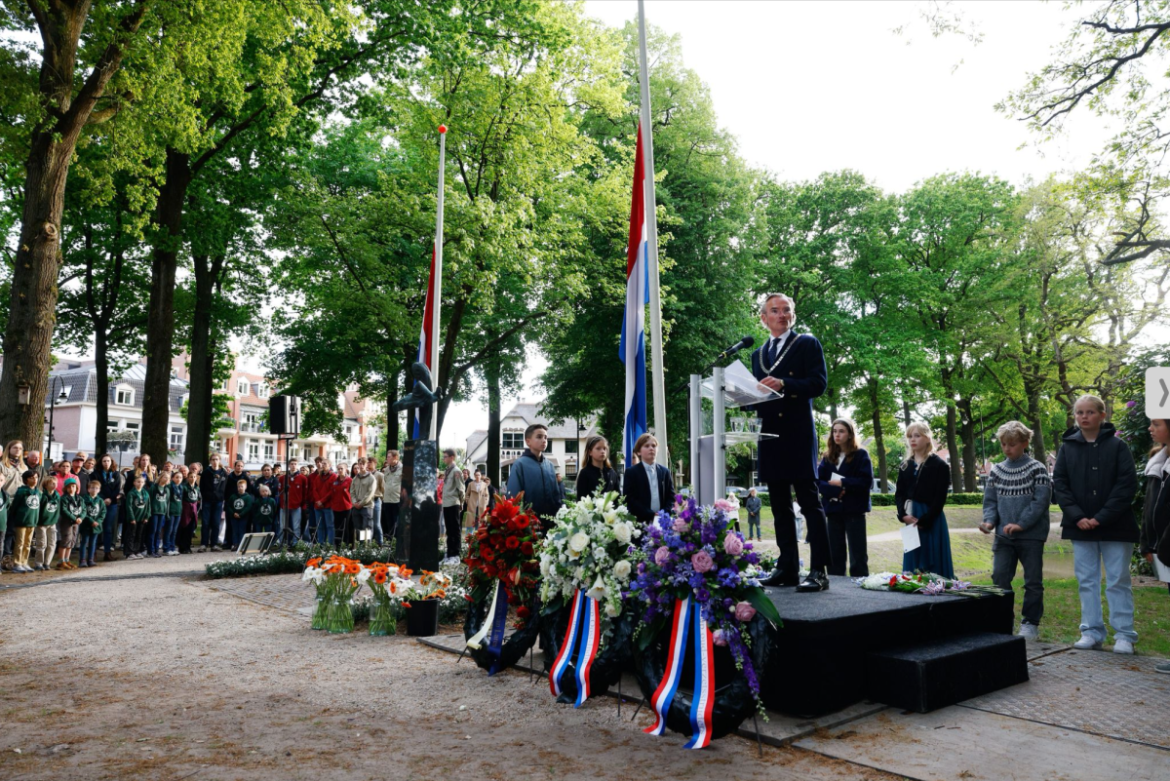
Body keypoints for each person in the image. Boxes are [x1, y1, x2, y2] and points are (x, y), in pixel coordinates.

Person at [749, 293, 832, 592]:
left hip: (797, 433)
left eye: (787, 310)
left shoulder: (807, 343)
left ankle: (819, 571)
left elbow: (819, 383)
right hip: (769, 435)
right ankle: (787, 568)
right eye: (775, 311)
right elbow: (758, 396)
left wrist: (786, 383)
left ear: (793, 315)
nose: (782, 315)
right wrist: (742, 398)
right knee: (780, 506)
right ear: (764, 317)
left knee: (810, 503)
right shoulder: (757, 355)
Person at [1053, 394, 1139, 654]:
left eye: (1090, 412)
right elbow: (1060, 485)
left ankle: (1124, 635)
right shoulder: (1067, 447)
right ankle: (1091, 631)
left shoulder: (1118, 446)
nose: (1084, 417)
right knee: (1087, 581)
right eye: (1080, 412)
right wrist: (1078, 516)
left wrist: (1101, 517)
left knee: (1118, 580)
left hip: (1116, 525)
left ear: (1102, 415)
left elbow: (1126, 486)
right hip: (1079, 527)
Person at [979, 420, 1052, 640]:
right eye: (1003, 444)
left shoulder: (1037, 469)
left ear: (1024, 442)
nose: (1007, 448)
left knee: (1032, 581)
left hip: (1031, 537)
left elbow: (1040, 502)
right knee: (999, 577)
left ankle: (1030, 623)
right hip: (1003, 537)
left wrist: (1021, 524)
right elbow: (990, 501)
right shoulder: (998, 470)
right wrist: (989, 522)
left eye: (1011, 444)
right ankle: (1003, 620)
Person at [895, 423, 954, 578]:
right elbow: (899, 493)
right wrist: (903, 516)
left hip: (930, 518)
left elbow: (940, 498)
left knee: (932, 559)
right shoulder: (905, 465)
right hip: (910, 518)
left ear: (927, 438)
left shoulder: (939, 465)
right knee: (913, 561)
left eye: (917, 435)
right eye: (909, 436)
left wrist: (924, 520)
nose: (912, 440)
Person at [816, 418, 874, 578]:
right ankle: (835, 585)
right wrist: (834, 491)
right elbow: (818, 482)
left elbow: (866, 481)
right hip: (833, 511)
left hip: (854, 511)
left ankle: (860, 585)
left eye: (841, 431)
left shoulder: (861, 455)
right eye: (835, 431)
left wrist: (842, 483)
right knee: (835, 553)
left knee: (858, 553)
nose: (837, 435)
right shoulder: (828, 457)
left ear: (850, 434)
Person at [505, 424, 562, 527]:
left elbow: (556, 495)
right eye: (539, 437)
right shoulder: (520, 464)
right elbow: (514, 498)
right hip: (529, 525)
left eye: (545, 437)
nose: (544, 440)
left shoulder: (549, 465)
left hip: (550, 524)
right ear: (528, 441)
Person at [1140, 418, 1170, 598]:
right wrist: (1147, 544)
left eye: (1157, 424)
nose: (1150, 428)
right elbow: (1149, 506)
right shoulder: (1157, 463)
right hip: (1162, 549)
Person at [623, 433, 675, 524]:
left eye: (654, 446)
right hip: (640, 521)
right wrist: (650, 514)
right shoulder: (631, 472)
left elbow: (671, 497)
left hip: (662, 520)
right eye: (646, 446)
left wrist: (663, 513)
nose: (651, 448)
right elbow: (630, 498)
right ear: (639, 452)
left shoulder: (665, 472)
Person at [11, 470, 42, 572]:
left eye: (36, 477)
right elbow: (14, 506)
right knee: (19, 543)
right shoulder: (21, 491)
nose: (35, 480)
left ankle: (24, 562)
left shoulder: (38, 492)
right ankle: (17, 563)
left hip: (32, 521)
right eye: (32, 478)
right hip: (22, 521)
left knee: (28, 543)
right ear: (26, 480)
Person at [199, 453, 228, 552]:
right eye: (213, 459)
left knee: (216, 523)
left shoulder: (224, 473)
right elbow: (202, 487)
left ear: (219, 460)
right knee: (206, 523)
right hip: (207, 500)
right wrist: (205, 496)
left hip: (219, 501)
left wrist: (222, 497)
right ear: (210, 461)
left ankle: (214, 544)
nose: (215, 461)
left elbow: (226, 487)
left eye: (217, 459)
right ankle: (203, 544)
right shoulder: (206, 472)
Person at [575, 436, 619, 500]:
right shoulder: (585, 473)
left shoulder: (612, 472)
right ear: (590, 452)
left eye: (604, 448)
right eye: (598, 448)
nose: (602, 451)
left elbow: (618, 496)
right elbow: (581, 498)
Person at [440, 449, 466, 563]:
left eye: (445, 456)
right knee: (449, 529)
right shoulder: (448, 470)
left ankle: (455, 554)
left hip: (454, 503)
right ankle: (450, 553)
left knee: (455, 529)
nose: (443, 458)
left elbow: (461, 489)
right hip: (446, 503)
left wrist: (461, 503)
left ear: (452, 457)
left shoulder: (456, 471)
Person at [34, 476, 61, 570]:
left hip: (52, 523)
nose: (54, 485)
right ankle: (39, 563)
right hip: (41, 524)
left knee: (52, 543)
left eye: (55, 483)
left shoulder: (57, 496)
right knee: (42, 544)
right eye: (52, 483)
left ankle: (47, 563)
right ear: (46, 485)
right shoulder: (42, 496)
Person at [56, 477, 82, 569]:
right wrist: (74, 518)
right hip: (67, 521)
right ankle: (61, 561)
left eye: (74, 486)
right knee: (66, 540)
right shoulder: (64, 498)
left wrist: (81, 517)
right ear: (66, 488)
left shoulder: (79, 498)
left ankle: (67, 559)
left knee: (72, 540)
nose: (72, 489)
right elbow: (64, 510)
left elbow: (84, 509)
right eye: (69, 487)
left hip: (76, 522)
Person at [280, 457, 307, 545]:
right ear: (288, 465)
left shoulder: (302, 478)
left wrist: (302, 505)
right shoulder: (283, 478)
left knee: (296, 526)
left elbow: (304, 493)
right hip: (284, 505)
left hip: (296, 506)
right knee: (282, 526)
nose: (293, 466)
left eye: (295, 464)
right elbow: (280, 491)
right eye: (291, 464)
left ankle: (295, 543)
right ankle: (282, 543)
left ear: (297, 465)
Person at [123, 473, 150, 559]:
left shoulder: (145, 493)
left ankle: (137, 550)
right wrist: (132, 518)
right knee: (131, 535)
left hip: (142, 518)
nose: (140, 483)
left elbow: (148, 506)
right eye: (138, 482)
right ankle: (129, 552)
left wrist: (147, 516)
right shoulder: (131, 493)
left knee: (139, 535)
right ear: (134, 483)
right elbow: (129, 506)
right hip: (134, 518)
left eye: (142, 482)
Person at [79, 480, 105, 568]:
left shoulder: (100, 501)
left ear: (99, 490)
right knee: (84, 542)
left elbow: (103, 512)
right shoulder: (84, 499)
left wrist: (98, 521)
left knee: (93, 543)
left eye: (96, 488)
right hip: (86, 525)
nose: (94, 490)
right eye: (92, 488)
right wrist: (91, 521)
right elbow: (83, 512)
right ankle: (82, 560)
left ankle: (90, 559)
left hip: (96, 525)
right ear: (88, 489)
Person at [349, 460, 376, 544]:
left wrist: (360, 504)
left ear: (366, 465)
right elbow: (352, 491)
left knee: (367, 529)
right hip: (356, 507)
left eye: (363, 464)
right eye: (359, 464)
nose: (361, 466)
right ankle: (360, 547)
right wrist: (354, 502)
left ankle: (367, 548)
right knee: (358, 529)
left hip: (366, 507)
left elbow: (370, 493)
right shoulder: (355, 478)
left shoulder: (371, 478)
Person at [178, 471, 201, 554]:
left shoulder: (197, 488)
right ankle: (182, 546)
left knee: (191, 528)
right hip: (186, 508)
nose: (193, 478)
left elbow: (198, 499)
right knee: (184, 527)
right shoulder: (184, 487)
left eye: (194, 477)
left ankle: (188, 546)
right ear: (188, 478)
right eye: (191, 477)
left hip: (193, 508)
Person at [227, 479, 254, 549]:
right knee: (235, 531)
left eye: (242, 486)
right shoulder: (233, 496)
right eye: (239, 487)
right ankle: (235, 544)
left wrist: (241, 514)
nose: (240, 488)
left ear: (245, 487)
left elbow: (248, 507)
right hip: (234, 517)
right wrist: (233, 513)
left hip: (243, 517)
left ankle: (241, 545)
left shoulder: (248, 497)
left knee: (242, 530)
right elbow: (229, 506)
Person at [328, 463, 351, 546]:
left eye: (341, 469)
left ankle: (346, 545)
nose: (340, 470)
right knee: (337, 527)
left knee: (345, 527)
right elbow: (332, 493)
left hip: (346, 507)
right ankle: (337, 545)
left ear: (346, 469)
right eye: (338, 469)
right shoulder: (335, 481)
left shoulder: (349, 480)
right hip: (336, 507)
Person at [149, 472, 171, 558]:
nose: (165, 479)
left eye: (167, 478)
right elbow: (149, 500)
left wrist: (167, 514)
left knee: (158, 532)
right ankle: (150, 550)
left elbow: (167, 502)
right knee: (153, 531)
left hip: (162, 513)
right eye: (164, 477)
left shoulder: (167, 490)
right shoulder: (153, 488)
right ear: (160, 477)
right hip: (154, 512)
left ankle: (156, 549)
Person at [382, 452, 402, 541]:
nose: (387, 459)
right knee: (389, 523)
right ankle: (390, 543)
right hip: (387, 500)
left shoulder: (403, 469)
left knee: (396, 524)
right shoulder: (386, 469)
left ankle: (397, 545)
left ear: (395, 457)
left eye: (389, 457)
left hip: (397, 500)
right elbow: (385, 481)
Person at [165, 470, 184, 556]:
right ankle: (167, 548)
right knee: (169, 530)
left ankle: (172, 547)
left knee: (175, 531)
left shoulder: (181, 487)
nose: (179, 479)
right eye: (177, 477)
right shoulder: (169, 487)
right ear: (172, 478)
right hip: (171, 511)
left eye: (180, 477)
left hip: (178, 511)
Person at [370, 458, 385, 545]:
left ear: (375, 464)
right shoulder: (365, 475)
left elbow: (383, 488)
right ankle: (365, 544)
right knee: (366, 525)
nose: (368, 464)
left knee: (376, 524)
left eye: (370, 462)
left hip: (376, 500)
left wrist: (381, 499)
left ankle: (380, 543)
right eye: (367, 462)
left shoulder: (380, 475)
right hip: (366, 502)